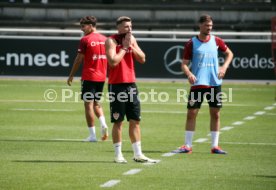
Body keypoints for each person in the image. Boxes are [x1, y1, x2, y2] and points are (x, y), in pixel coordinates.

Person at [174, 14, 233, 154]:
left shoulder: (217, 41)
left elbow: (230, 54)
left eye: (211, 26)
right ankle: (187, 146)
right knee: (191, 113)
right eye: (207, 25)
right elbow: (184, 65)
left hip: (214, 83)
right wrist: (189, 74)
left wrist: (224, 67)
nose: (209, 28)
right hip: (198, 83)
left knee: (216, 114)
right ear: (200, 25)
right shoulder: (191, 43)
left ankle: (215, 146)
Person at [105, 16, 158, 163]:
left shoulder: (132, 39)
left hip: (131, 85)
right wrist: (124, 48)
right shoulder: (111, 41)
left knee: (135, 120)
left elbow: (142, 58)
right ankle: (118, 155)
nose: (130, 29)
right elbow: (113, 62)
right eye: (127, 26)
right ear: (119, 28)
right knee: (118, 121)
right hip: (116, 86)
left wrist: (131, 46)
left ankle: (138, 154)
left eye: (131, 26)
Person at [67, 16, 108, 142]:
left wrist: (71, 75)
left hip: (89, 76)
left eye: (83, 26)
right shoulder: (105, 39)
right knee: (96, 102)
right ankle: (103, 123)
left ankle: (92, 136)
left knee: (88, 105)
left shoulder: (85, 39)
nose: (81, 29)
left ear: (90, 25)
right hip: (101, 76)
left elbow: (79, 59)